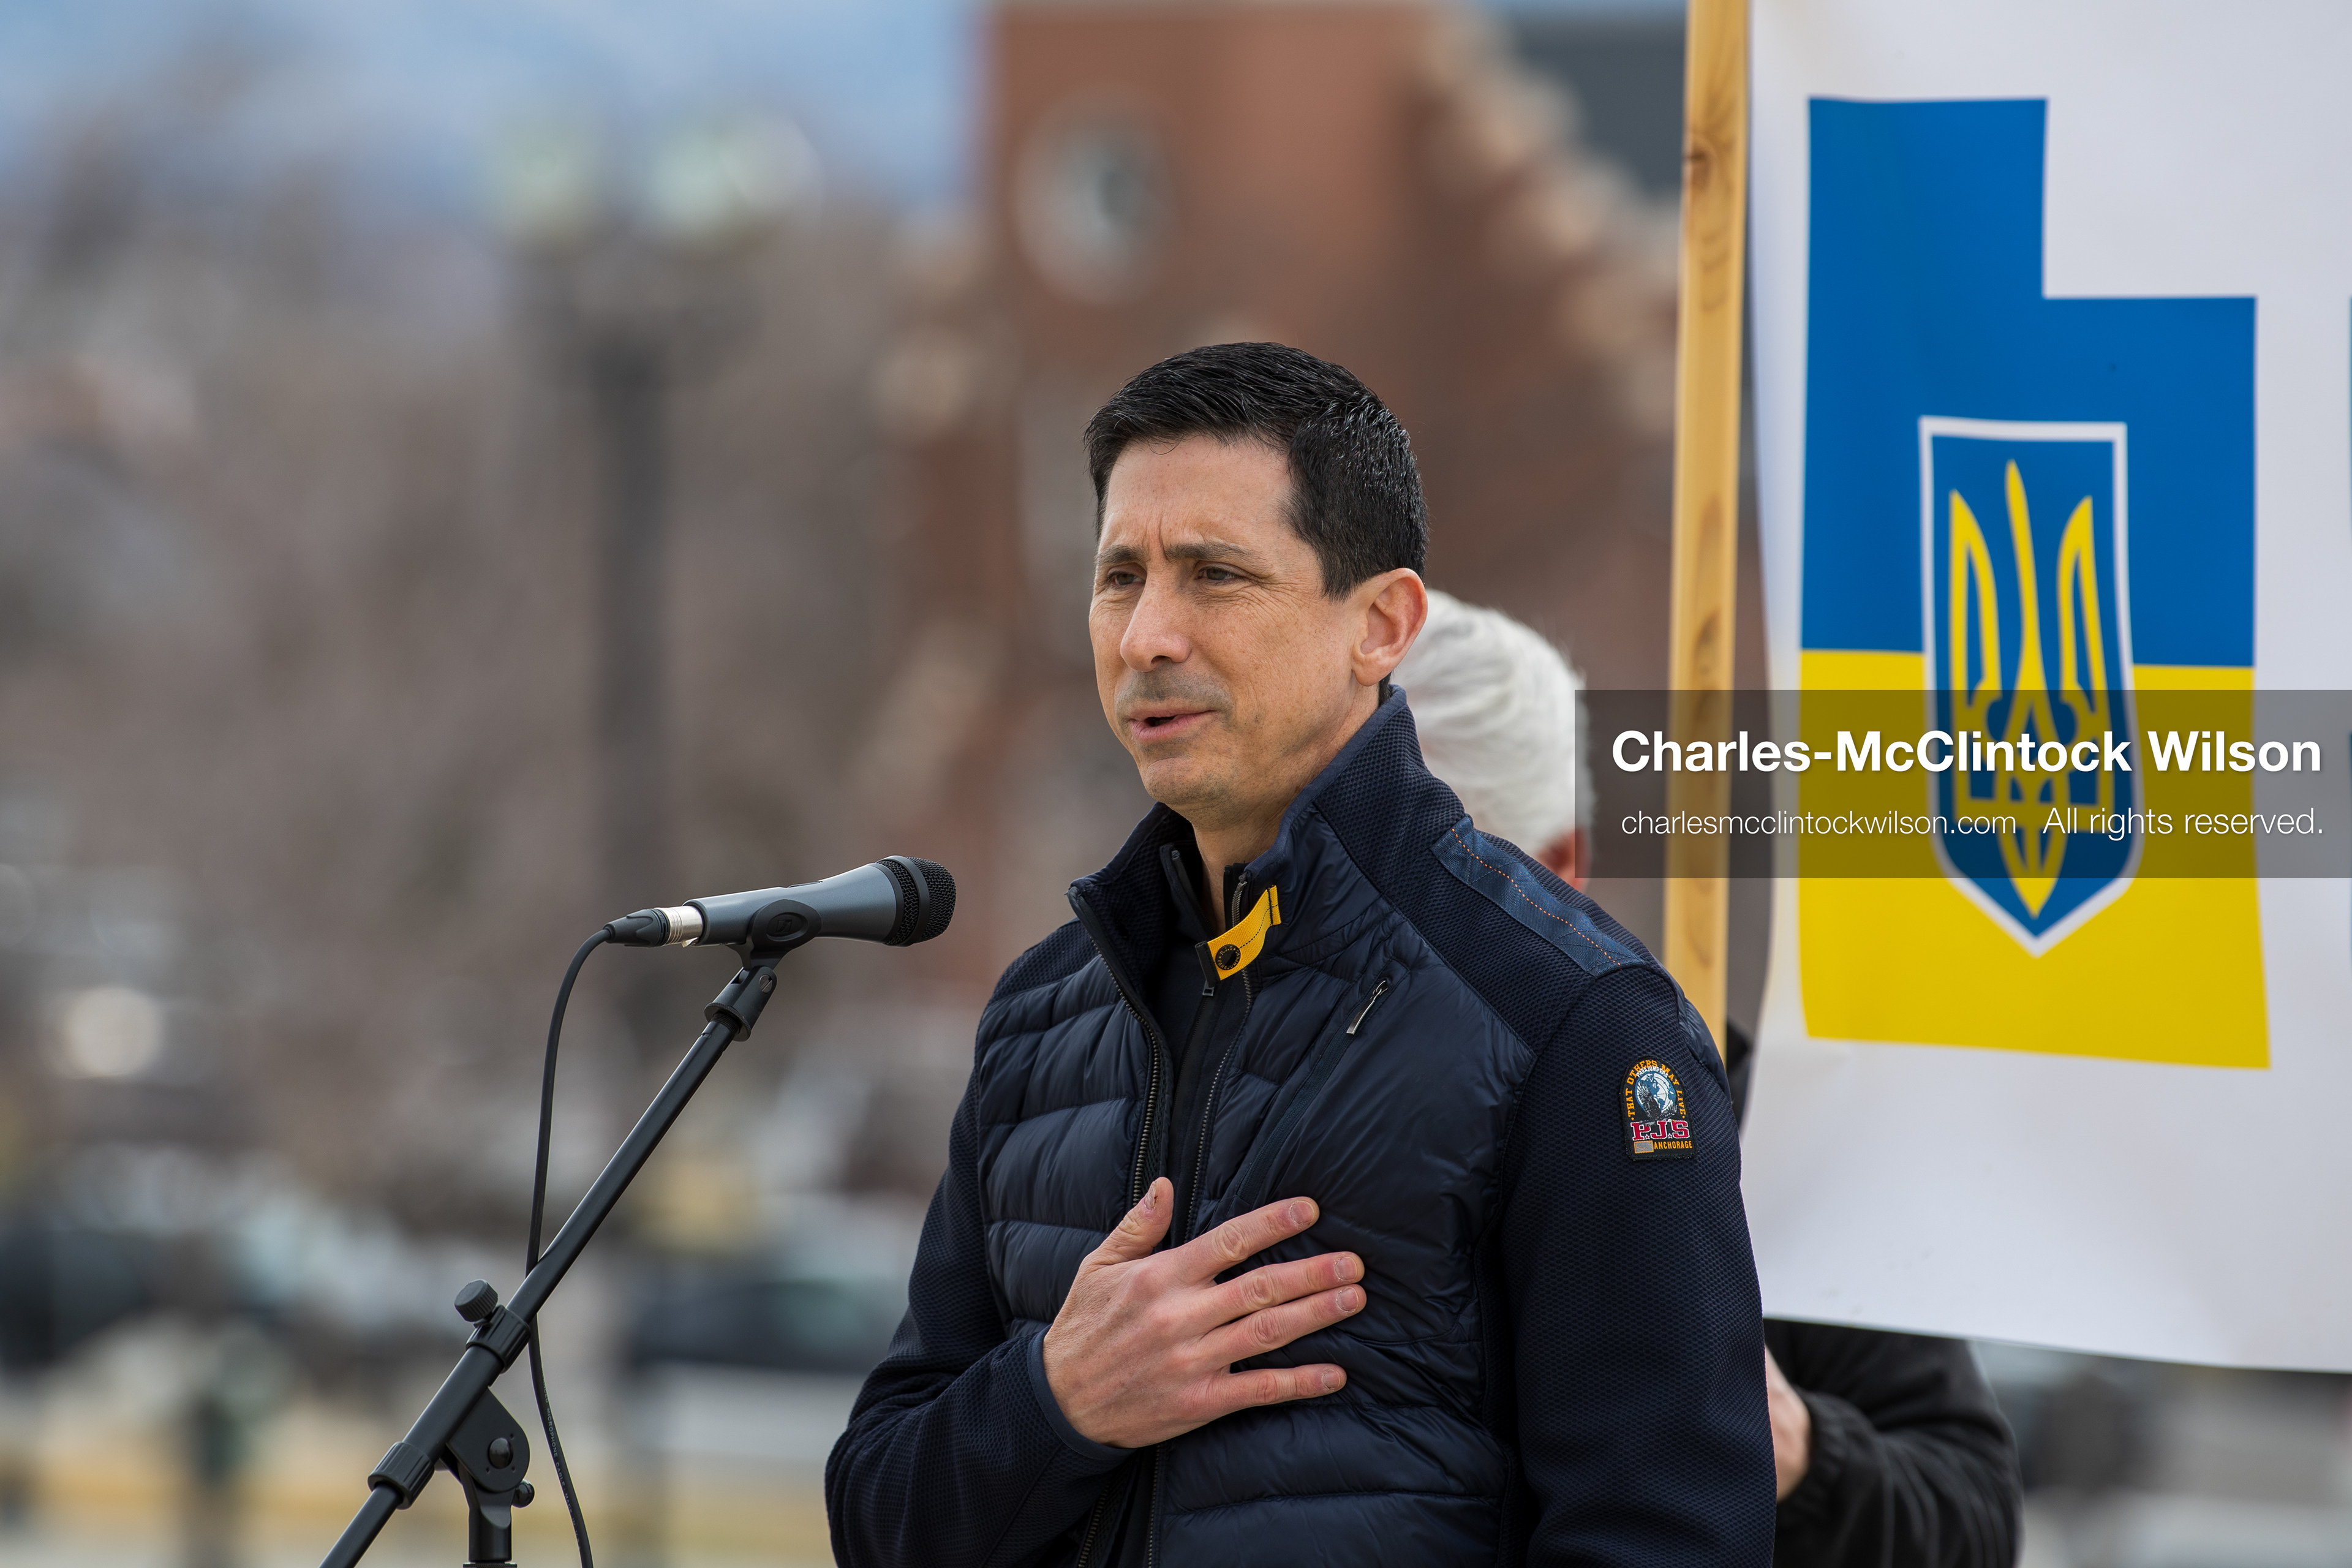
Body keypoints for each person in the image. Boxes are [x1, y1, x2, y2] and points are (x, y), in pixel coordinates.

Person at [826, 342, 1773, 1567]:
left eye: (1216, 574)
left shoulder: (1577, 1017)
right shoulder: (1042, 1011)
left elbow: (1668, 1538)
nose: (1148, 634)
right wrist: (1057, 1400)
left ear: (1381, 623)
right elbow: (878, 1518)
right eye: (1120, 576)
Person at [1396, 591, 2023, 1568]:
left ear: (1562, 864)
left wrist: (1798, 1448)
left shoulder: (1768, 1118)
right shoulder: (1212, 1084)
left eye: (1429, 883)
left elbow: (1972, 1516)